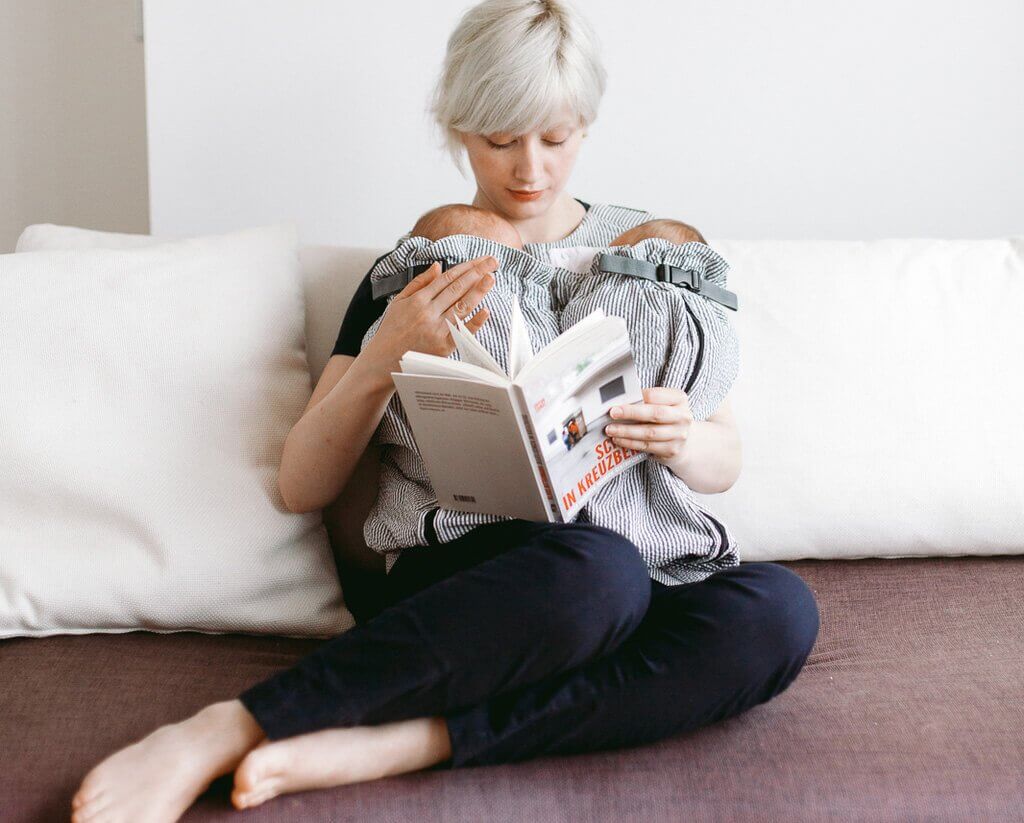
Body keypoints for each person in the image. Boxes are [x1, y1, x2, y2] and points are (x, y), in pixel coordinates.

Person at [70, 2, 820, 821]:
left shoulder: (655, 257)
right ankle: (225, 726)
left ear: (586, 126)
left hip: (641, 569)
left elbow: (726, 457)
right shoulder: (422, 267)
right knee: (595, 576)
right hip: (489, 581)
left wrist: (682, 441)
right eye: (500, 139)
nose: (529, 168)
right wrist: (386, 355)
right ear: (458, 127)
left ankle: (406, 740)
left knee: (776, 612)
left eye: (556, 137)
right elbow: (302, 482)